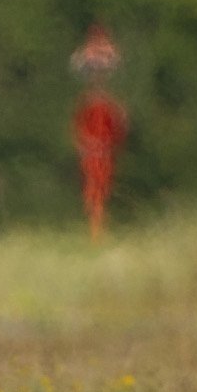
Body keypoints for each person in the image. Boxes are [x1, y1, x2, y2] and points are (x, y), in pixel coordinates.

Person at [68, 24, 129, 240]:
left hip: (101, 152)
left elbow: (119, 131)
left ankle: (97, 231)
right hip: (93, 152)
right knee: (92, 193)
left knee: (99, 192)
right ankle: (95, 231)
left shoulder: (110, 107)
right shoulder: (89, 104)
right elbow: (78, 131)